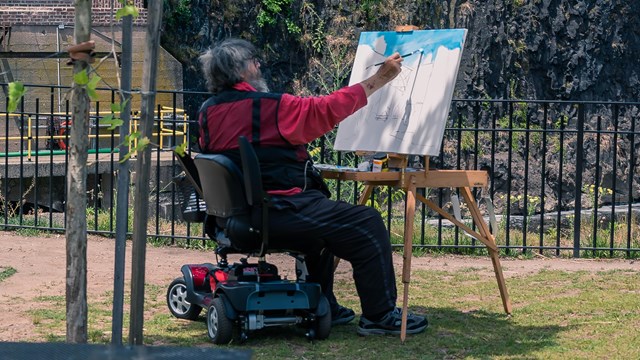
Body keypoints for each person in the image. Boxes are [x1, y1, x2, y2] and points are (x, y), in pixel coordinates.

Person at [197, 38, 428, 336]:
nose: (259, 65)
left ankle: (324, 303)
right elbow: (327, 109)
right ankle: (380, 316)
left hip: (232, 220)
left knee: (324, 218)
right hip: (277, 211)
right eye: (254, 61)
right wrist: (379, 79)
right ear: (241, 71)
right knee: (366, 222)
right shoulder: (272, 108)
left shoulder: (207, 111)